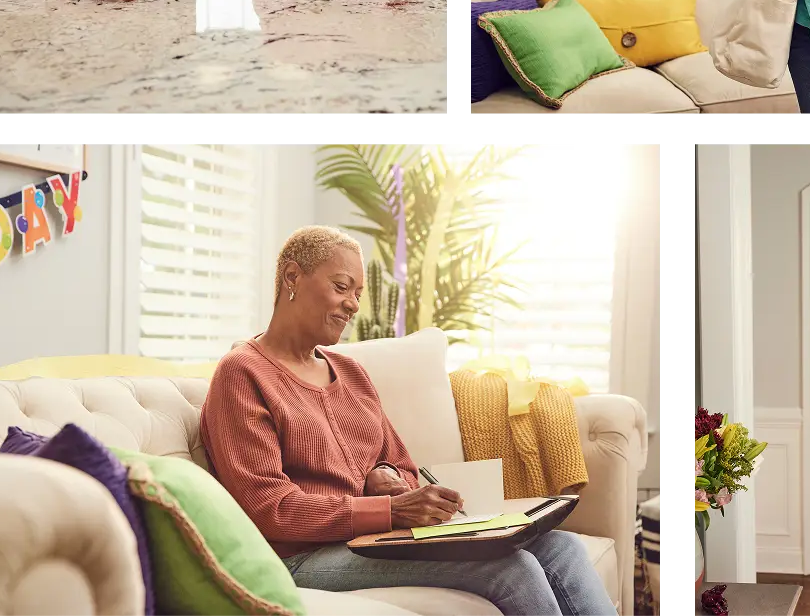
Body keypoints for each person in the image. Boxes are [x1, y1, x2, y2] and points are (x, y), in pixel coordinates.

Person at [199, 226, 616, 616]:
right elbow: (270, 508)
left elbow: (400, 462)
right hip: (299, 557)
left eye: (358, 293)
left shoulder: (351, 372)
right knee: (513, 568)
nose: (353, 304)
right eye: (341, 287)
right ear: (292, 277)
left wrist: (383, 475)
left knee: (563, 549)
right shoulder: (243, 373)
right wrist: (388, 510)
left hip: (375, 540)